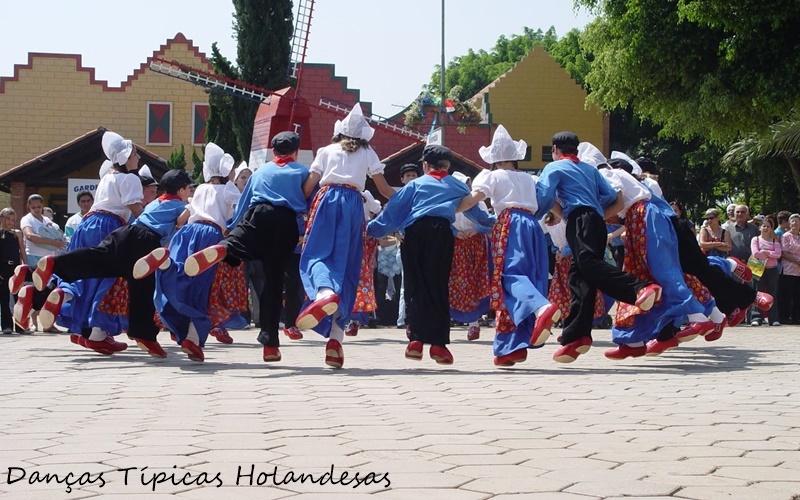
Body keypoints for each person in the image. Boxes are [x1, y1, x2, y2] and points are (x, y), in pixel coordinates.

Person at [25, 169, 191, 356]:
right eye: (189, 189)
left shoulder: (155, 203)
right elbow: (180, 220)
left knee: (97, 260)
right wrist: (190, 210)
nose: (190, 192)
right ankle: (144, 335)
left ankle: (54, 264)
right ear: (182, 190)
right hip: (146, 241)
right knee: (143, 287)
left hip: (125, 233)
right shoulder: (180, 205)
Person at [181, 131, 310, 363]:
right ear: (296, 151)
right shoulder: (302, 172)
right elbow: (310, 202)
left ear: (274, 151)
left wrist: (231, 227)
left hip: (257, 214)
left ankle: (225, 248)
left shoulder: (260, 172)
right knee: (273, 280)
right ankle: (270, 344)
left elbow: (243, 204)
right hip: (285, 221)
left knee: (238, 242)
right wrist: (304, 229)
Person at [535, 132, 661, 363]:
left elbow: (543, 196)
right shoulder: (590, 169)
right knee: (579, 276)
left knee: (588, 265)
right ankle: (577, 335)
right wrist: (591, 206)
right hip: (595, 219)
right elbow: (610, 194)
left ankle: (639, 289)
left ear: (555, 149)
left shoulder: (554, 168)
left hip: (579, 220)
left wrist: (534, 217)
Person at [367, 144, 494, 365]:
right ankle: (439, 345)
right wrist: (495, 223)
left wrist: (372, 230)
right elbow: (478, 215)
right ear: (448, 166)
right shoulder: (457, 185)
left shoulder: (415, 185)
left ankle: (415, 341)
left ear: (425, 165)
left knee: (415, 284)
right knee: (438, 285)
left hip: (415, 234)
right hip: (442, 233)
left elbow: (394, 212)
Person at [295, 104, 396, 369]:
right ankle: (336, 339)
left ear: (338, 132)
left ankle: (323, 293)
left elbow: (307, 187)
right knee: (348, 266)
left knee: (316, 254)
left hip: (326, 200)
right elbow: (384, 190)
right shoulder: (367, 152)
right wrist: (410, 200)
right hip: (354, 204)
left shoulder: (326, 151)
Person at [457, 125, 561, 366]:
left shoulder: (491, 176)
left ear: (493, 158)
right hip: (532, 226)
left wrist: (448, 208)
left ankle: (540, 308)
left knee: (508, 277)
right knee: (527, 278)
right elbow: (551, 204)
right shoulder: (530, 178)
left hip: (509, 223)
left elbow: (473, 200)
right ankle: (511, 347)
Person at [135, 143, 244, 362]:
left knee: (182, 277)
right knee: (203, 288)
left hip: (187, 233)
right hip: (211, 236)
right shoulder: (229, 188)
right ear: (225, 171)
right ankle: (192, 338)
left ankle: (166, 264)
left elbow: (182, 219)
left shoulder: (201, 188)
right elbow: (239, 212)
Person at [448, 171, 492, 342]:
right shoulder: (450, 204)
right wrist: (455, 233)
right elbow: (446, 223)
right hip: (458, 247)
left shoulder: (478, 204)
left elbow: (489, 224)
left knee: (476, 283)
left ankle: (475, 321)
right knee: (459, 283)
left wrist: (478, 229)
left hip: (476, 246)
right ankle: (467, 321)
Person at [395, 163, 420, 334]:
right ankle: (403, 318)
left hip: (422, 242)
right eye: (408, 175)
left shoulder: (422, 195)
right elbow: (391, 216)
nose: (411, 178)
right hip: (404, 244)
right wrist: (397, 233)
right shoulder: (398, 197)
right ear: (402, 179)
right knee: (406, 284)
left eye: (414, 175)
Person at [0, 208, 29, 334]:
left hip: (16, 267)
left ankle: (21, 326)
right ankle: (6, 326)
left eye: (12, 219)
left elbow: (22, 250)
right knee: (4, 297)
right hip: (2, 267)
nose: (10, 222)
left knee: (19, 297)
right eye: (7, 218)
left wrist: (26, 266)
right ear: (2, 219)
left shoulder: (17, 233)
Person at [750, 215, 781, 327]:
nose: (766, 228)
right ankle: (756, 317)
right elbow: (756, 254)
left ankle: (773, 319)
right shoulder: (756, 239)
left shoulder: (774, 240)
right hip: (758, 270)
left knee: (773, 293)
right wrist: (769, 254)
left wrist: (767, 253)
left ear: (771, 228)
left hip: (771, 270)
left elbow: (778, 254)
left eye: (768, 226)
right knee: (757, 293)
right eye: (764, 226)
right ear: (760, 227)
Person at [20, 194, 67, 267]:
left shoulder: (47, 220)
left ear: (42, 205)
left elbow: (59, 233)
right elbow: (29, 236)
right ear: (28, 207)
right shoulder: (26, 219)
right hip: (34, 258)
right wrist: (52, 242)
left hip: (50, 258)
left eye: (39, 207)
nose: (36, 209)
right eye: (33, 207)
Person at [778, 213, 800, 325]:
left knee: (798, 295)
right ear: (789, 223)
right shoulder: (786, 236)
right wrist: (797, 262)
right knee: (786, 295)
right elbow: (784, 253)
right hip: (788, 270)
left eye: (797, 221)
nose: (795, 223)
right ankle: (784, 316)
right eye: (793, 221)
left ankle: (797, 317)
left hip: (799, 272)